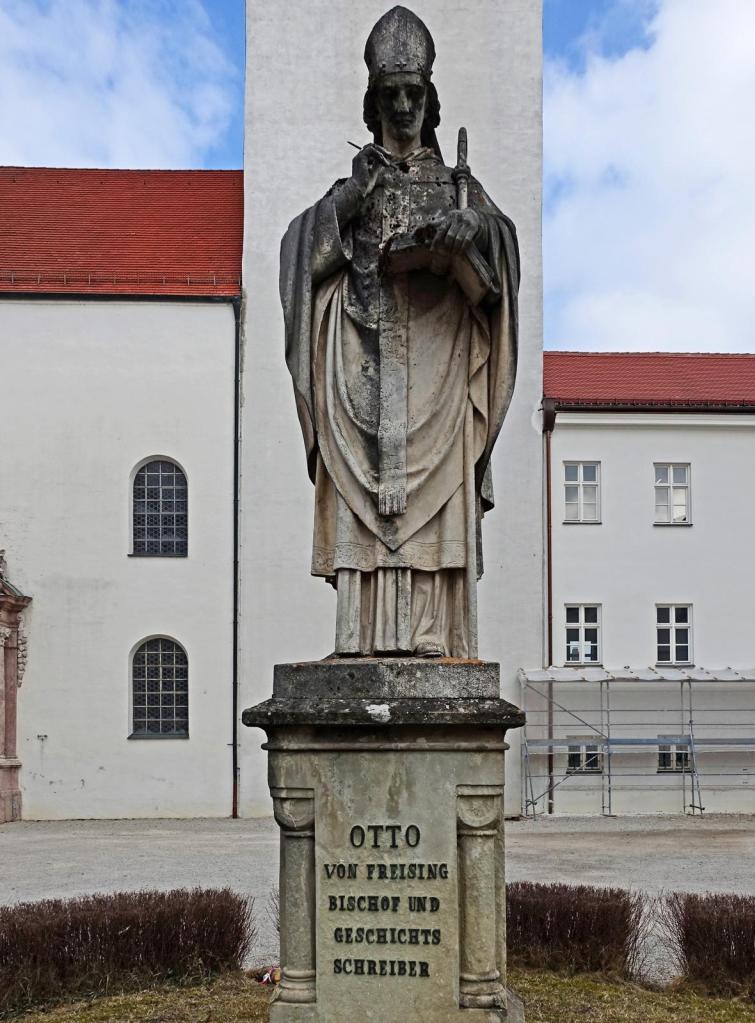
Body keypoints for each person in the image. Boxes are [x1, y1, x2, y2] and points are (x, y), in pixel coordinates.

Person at [280, 6, 519, 657]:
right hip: (365, 365)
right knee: (367, 508)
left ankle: (432, 637)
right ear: (374, 100)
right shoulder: (351, 189)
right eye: (393, 95)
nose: (406, 106)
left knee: (437, 513)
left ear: (430, 98)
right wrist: (349, 206)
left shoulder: (456, 186)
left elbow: (504, 259)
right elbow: (300, 255)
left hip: (439, 376)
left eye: (415, 93)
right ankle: (358, 640)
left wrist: (475, 235)